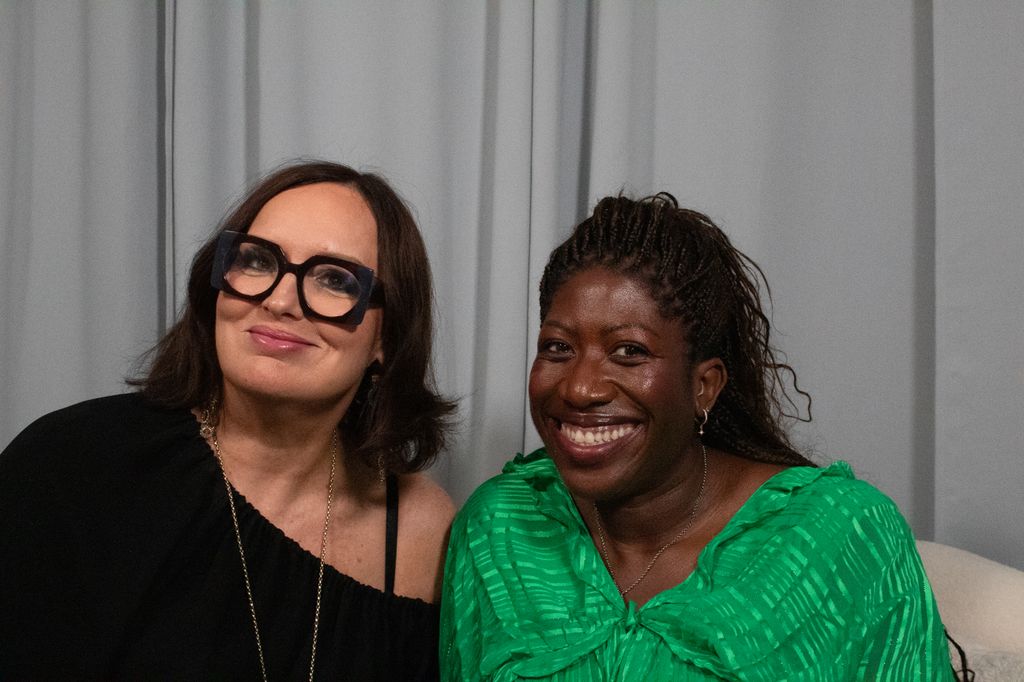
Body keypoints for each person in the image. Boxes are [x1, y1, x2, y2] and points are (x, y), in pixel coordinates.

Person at [440, 194, 955, 680]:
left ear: (703, 386)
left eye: (628, 352)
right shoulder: (500, 530)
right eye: (557, 347)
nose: (579, 387)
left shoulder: (841, 536)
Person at [0, 160, 455, 680]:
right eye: (258, 261)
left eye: (335, 279)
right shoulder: (68, 464)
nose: (281, 301)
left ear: (386, 337)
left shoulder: (420, 528)